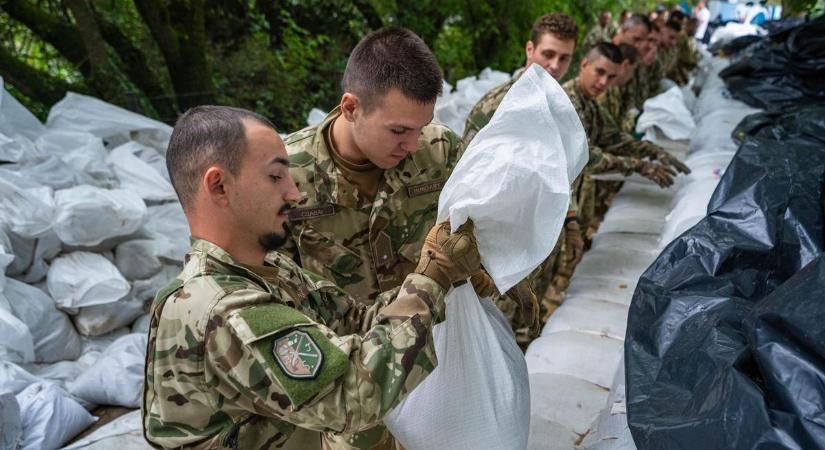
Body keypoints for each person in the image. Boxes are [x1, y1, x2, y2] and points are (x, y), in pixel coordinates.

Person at [142, 105, 483, 449]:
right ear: (218, 186)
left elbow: (357, 320)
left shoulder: (270, 271)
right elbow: (351, 397)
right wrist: (432, 279)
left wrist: (447, 283)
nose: (295, 193)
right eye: (276, 177)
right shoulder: (222, 308)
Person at [461, 12, 580, 327]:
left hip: (541, 242)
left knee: (530, 330)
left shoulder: (561, 107)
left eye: (564, 58)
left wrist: (571, 220)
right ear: (530, 50)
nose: (555, 66)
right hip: (500, 253)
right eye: (547, 54)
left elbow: (562, 170)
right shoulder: (496, 108)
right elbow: (466, 184)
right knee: (499, 333)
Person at [562, 43, 690, 240]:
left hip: (575, 202)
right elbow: (586, 158)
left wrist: (654, 152)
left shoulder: (589, 102)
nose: (603, 82)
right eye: (599, 72)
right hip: (561, 206)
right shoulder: (567, 103)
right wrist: (639, 166)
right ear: (584, 64)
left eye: (611, 77)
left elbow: (614, 138)